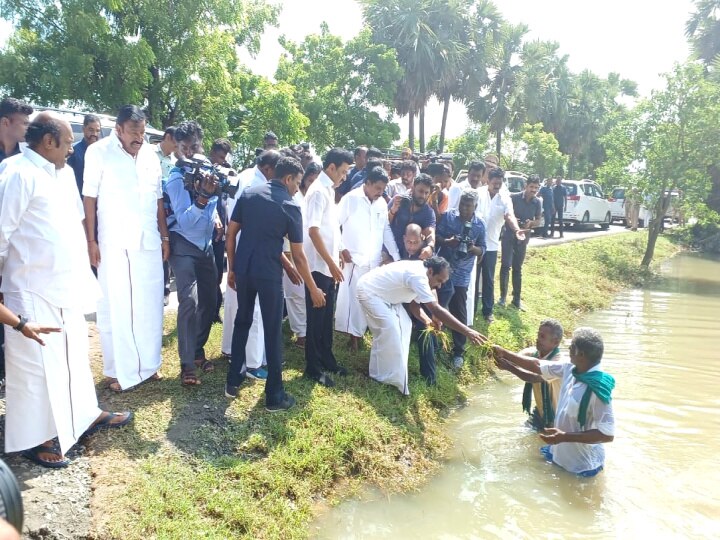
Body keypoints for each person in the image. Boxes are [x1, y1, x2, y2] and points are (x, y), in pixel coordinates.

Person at [0, 113, 131, 468]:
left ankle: (84, 415)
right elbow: (1, 235)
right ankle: (34, 438)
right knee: (34, 367)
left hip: (64, 284)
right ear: (48, 143)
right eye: (68, 141)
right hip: (28, 288)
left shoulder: (65, 173)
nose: (73, 147)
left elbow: (74, 223)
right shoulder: (16, 174)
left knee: (73, 356)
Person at [225, 156, 325, 411]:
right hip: (268, 275)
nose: (297, 189)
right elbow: (300, 254)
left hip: (245, 269)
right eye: (297, 183)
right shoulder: (290, 206)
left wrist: (231, 269)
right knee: (272, 332)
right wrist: (313, 289)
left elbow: (232, 233)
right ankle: (274, 396)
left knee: (242, 321)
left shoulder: (249, 194)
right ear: (288, 178)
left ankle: (233, 381)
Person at [83, 105, 169, 392]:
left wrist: (165, 237)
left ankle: (149, 365)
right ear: (118, 129)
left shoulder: (150, 155)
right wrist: (91, 241)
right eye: (134, 132)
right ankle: (118, 370)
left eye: (143, 132)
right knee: (117, 306)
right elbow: (90, 198)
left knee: (150, 304)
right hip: (114, 242)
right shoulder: (98, 152)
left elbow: (158, 199)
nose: (139, 138)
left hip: (149, 241)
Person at [494, 327, 615, 477]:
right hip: (558, 453)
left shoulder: (599, 389)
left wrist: (565, 437)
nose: (568, 349)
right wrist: (505, 354)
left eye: (572, 347)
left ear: (581, 354)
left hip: (581, 466)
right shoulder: (571, 368)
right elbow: (537, 365)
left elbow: (607, 435)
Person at [357, 256, 486, 395]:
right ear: (431, 271)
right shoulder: (418, 276)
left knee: (404, 326)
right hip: (369, 291)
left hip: (385, 296)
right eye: (439, 281)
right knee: (391, 330)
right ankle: (381, 377)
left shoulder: (423, 272)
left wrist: (426, 320)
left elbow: (413, 304)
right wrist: (468, 332)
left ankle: (386, 374)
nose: (440, 286)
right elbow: (435, 309)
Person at [164, 120, 220, 386]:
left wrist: (215, 214)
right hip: (183, 244)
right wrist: (202, 200)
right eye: (184, 147)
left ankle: (197, 350)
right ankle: (187, 365)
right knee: (189, 301)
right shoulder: (175, 178)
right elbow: (185, 222)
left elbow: (215, 201)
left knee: (212, 299)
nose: (189, 151)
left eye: (194, 145)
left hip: (206, 245)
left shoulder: (209, 169)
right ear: (176, 147)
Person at [303, 148, 354, 387]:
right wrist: (332, 262)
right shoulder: (317, 192)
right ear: (331, 168)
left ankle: (327, 359)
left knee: (326, 317)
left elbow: (330, 228)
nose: (344, 176)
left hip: (328, 265)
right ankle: (312, 368)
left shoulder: (329, 190)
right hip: (318, 266)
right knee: (316, 317)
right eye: (343, 171)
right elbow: (313, 231)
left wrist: (340, 251)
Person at [335, 166, 401, 351]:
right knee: (353, 300)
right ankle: (353, 337)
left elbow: (385, 230)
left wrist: (396, 256)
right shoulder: (351, 199)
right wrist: (341, 248)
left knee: (369, 298)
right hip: (354, 259)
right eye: (378, 188)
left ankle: (361, 332)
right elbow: (334, 224)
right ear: (368, 183)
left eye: (383, 189)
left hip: (374, 261)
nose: (381, 193)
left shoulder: (381, 203)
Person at [0, 97, 33, 385]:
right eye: (23, 123)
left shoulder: (25, 158)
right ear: (5, 122)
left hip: (14, 252)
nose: (27, 128)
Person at [436, 191, 486, 370]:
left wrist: (472, 248)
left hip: (462, 273)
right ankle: (436, 344)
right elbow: (437, 237)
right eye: (462, 204)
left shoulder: (480, 225)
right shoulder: (449, 217)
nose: (464, 208)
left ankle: (458, 351)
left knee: (459, 310)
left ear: (475, 207)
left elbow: (483, 249)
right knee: (439, 307)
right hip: (443, 270)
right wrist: (449, 242)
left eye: (468, 205)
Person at [475, 168, 525, 323]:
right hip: (475, 244)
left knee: (488, 279)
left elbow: (509, 215)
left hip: (491, 245)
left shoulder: (505, 197)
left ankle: (487, 311)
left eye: (499, 183)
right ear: (487, 181)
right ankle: (471, 309)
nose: (497, 186)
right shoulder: (479, 193)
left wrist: (516, 230)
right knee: (473, 278)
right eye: (494, 183)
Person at [495, 319, 564, 430]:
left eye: (542, 337)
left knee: (548, 445)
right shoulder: (532, 353)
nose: (537, 339)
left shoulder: (558, 363)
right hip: (540, 412)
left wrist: (508, 367)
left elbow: (532, 377)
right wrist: (496, 354)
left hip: (558, 417)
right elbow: (515, 359)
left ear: (555, 342)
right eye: (538, 335)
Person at [282, 162, 321, 348]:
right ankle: (300, 333)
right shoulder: (293, 195)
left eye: (316, 180)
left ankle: (309, 329)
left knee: (309, 291)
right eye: (309, 180)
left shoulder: (320, 195)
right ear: (303, 180)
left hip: (312, 251)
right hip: (291, 248)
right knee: (294, 291)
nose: (312, 184)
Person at [499, 175, 543, 310]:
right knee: (506, 265)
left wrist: (531, 223)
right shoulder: (514, 197)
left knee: (518, 268)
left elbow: (539, 220)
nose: (533, 190)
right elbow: (505, 215)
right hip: (509, 235)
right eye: (531, 187)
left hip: (524, 238)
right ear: (526, 186)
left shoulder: (537, 202)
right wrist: (514, 221)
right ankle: (502, 297)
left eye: (536, 188)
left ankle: (516, 299)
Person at [209, 138, 233, 324]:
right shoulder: (204, 173)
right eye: (219, 156)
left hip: (221, 233)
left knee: (218, 273)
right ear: (211, 153)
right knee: (207, 275)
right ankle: (207, 310)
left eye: (224, 158)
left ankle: (215, 310)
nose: (221, 161)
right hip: (207, 231)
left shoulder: (225, 174)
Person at [388, 173, 436, 260]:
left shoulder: (429, 212)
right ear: (413, 188)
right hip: (390, 252)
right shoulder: (398, 201)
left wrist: (430, 247)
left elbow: (430, 232)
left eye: (426, 193)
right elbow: (384, 224)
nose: (423, 196)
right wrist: (393, 210)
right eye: (420, 191)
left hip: (412, 257)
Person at [156, 126, 177, 305]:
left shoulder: (174, 160)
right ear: (168, 137)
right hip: (151, 208)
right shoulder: (149, 153)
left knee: (165, 246)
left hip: (167, 211)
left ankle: (164, 289)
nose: (177, 147)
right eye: (175, 142)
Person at [66, 113, 101, 194]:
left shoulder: (103, 153)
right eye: (91, 130)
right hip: (79, 201)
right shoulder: (73, 151)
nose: (94, 134)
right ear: (83, 129)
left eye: (97, 131)